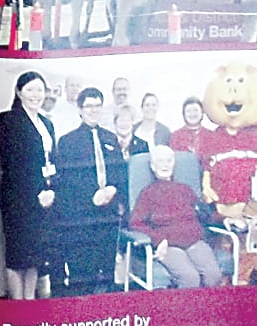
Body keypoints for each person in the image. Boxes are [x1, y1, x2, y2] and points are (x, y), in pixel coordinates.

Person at [54, 87, 127, 295]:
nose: (93, 110)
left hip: (108, 215)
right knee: (83, 269)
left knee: (107, 268)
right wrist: (91, 197)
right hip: (82, 216)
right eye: (89, 106)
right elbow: (67, 181)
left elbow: (120, 172)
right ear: (80, 109)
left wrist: (111, 190)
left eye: (97, 106)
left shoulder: (111, 138)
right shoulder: (67, 141)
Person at [0, 71, 58, 300]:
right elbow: (12, 163)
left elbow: (53, 161)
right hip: (19, 199)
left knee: (34, 256)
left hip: (45, 198)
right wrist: (35, 194)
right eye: (30, 89)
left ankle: (29, 301)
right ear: (19, 92)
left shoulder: (47, 124)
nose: (36, 95)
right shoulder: (7, 120)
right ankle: (17, 303)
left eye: (40, 90)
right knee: (17, 255)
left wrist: (51, 190)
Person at [129, 145, 223, 288]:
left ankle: (206, 309)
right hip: (168, 244)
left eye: (169, 160)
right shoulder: (148, 193)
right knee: (190, 278)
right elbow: (136, 223)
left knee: (213, 275)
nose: (165, 165)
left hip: (194, 241)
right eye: (160, 161)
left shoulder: (185, 189)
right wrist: (158, 239)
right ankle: (186, 310)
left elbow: (205, 216)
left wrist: (225, 220)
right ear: (153, 166)